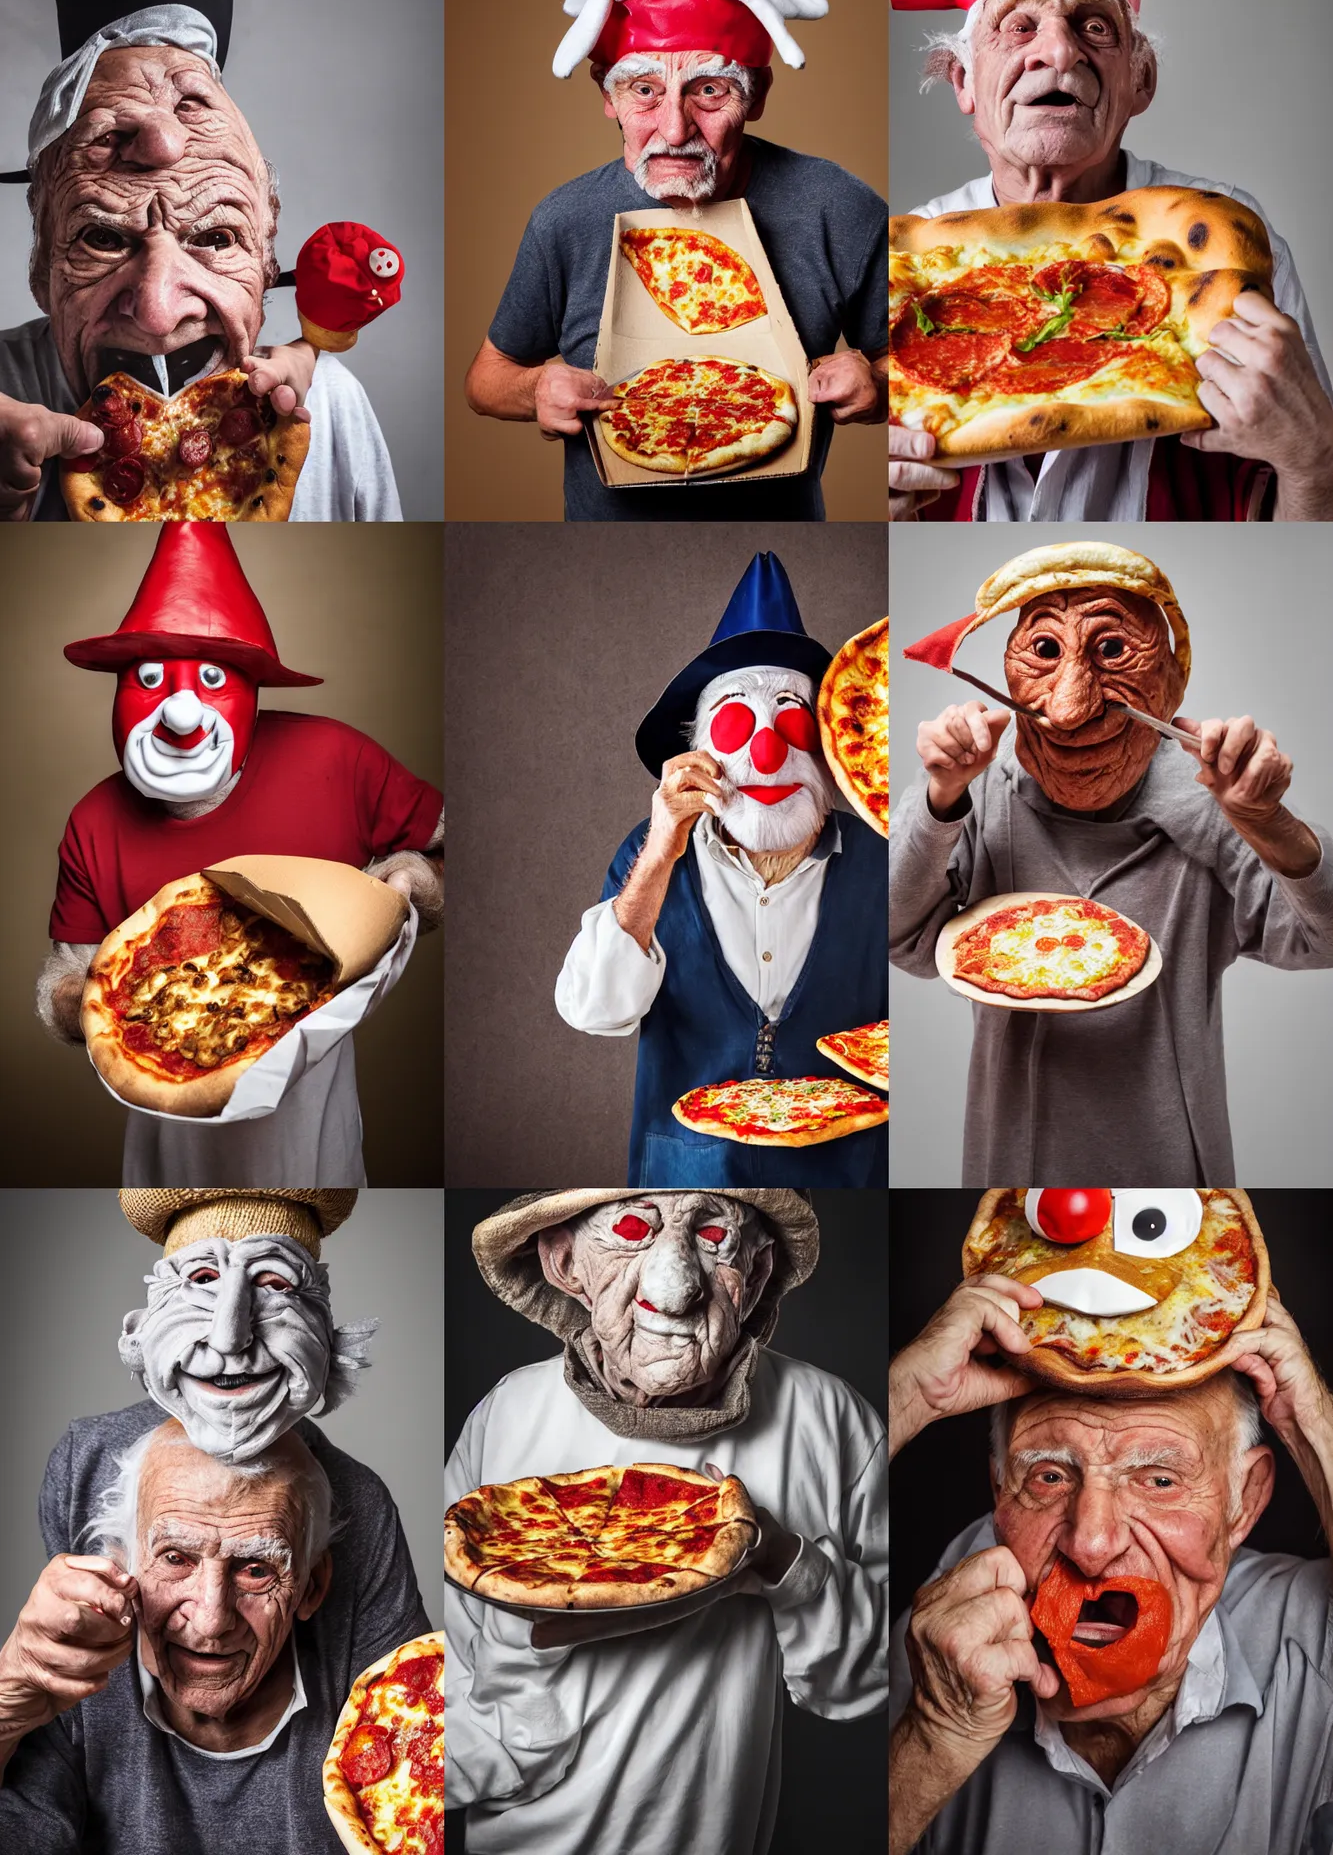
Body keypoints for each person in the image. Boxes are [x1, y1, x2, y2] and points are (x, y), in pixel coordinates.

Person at [889, 0, 1333, 521]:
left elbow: (1307, 530)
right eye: (1018, 25)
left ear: (1140, 81)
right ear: (961, 81)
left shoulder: (1225, 252)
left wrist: (1316, 461)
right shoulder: (893, 270)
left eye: (1093, 25)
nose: (1059, 53)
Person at [446, 1189, 888, 1855]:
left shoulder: (830, 1417)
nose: (674, 1287)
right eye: (629, 1230)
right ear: (566, 1264)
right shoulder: (508, 1412)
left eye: (713, 1239)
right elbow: (451, 1668)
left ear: (757, 1274)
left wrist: (780, 1559)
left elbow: (870, 1675)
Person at [889, 540, 1333, 1186]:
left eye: (1112, 651)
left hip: (1172, 1153)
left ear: (1173, 681)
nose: (1068, 707)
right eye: (1043, 651)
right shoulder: (972, 793)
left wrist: (1265, 820)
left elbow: (1324, 941)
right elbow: (900, 941)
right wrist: (939, 800)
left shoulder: (1218, 806)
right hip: (1009, 1146)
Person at [0, 1188, 430, 1852]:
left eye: (257, 1568)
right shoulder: (87, 1473)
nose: (209, 1618)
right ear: (116, 1556)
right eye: (173, 1558)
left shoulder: (356, 1505)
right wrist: (10, 1693)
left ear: (314, 1585)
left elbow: (418, 1773)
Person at [35, 525, 443, 1190]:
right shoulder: (92, 819)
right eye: (148, 678)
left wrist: (412, 883)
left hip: (317, 1106)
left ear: (254, 688)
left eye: (212, 678)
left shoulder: (337, 757)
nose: (181, 714)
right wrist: (125, 1004)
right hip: (163, 1106)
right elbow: (67, 977)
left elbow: (447, 843)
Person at [887, 1264, 1333, 1855]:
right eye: (1047, 1476)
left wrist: (1313, 1427)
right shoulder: (941, 1644)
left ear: (1243, 1503)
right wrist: (935, 1736)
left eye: (1159, 1479)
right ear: (999, 1491)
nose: (1092, 1545)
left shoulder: (1312, 1636)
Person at [0, 0, 402, 519]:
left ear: (268, 270)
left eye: (215, 238)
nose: (159, 315)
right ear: (39, 274)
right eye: (103, 238)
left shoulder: (331, 405)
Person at [466, 0, 888, 519]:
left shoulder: (838, 206)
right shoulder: (563, 219)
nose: (673, 128)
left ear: (756, 94)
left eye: (709, 90)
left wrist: (881, 382)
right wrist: (536, 388)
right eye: (645, 91)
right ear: (606, 95)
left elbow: (925, 362)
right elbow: (486, 379)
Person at [556, 552, 887, 1186]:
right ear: (698, 750)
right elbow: (594, 1011)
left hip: (851, 1175)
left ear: (831, 748)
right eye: (737, 720)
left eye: (791, 719)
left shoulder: (884, 861)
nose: (767, 750)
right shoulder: (647, 853)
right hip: (688, 1177)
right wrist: (659, 852)